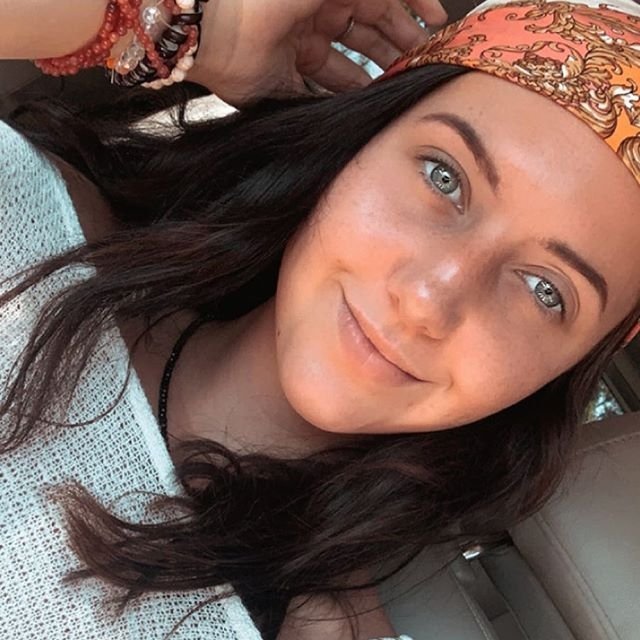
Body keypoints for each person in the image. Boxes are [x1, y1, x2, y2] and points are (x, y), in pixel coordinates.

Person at [1, 0, 639, 638]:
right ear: (354, 140)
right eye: (443, 177)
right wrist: (181, 28)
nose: (426, 301)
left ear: (559, 375)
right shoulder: (30, 217)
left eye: (546, 291)